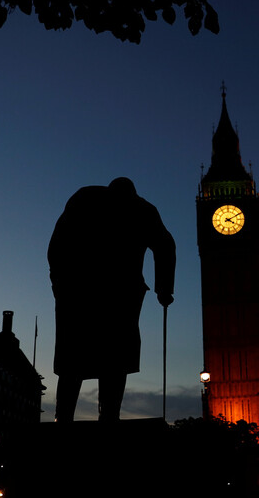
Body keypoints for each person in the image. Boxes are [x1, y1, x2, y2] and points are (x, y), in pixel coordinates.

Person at [48, 178, 175, 421]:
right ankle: (107, 416)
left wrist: (59, 282)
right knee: (114, 357)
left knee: (75, 355)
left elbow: (57, 244)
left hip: (79, 292)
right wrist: (164, 289)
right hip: (116, 294)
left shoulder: (84, 198)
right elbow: (165, 245)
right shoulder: (142, 209)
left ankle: (65, 417)